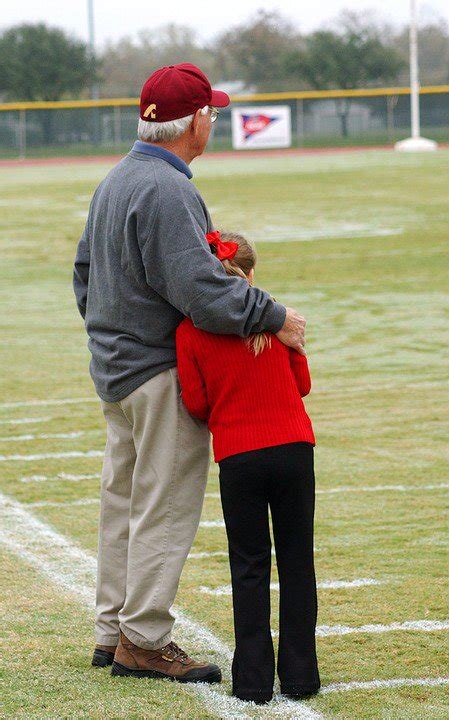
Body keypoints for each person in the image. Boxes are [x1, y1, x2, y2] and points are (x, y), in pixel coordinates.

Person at [73, 63, 307, 683]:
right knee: (163, 506)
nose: (215, 122)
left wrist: (110, 338)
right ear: (196, 121)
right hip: (155, 372)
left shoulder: (116, 179)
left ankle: (111, 629)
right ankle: (143, 639)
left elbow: (83, 275)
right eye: (213, 112)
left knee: (122, 501)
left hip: (116, 369)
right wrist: (274, 315)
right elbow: (205, 293)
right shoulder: (168, 188)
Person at [176, 230, 320, 703]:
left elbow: (196, 404)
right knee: (297, 560)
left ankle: (254, 681)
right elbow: (301, 383)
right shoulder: (279, 319)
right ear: (251, 274)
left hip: (238, 455)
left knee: (250, 565)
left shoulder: (190, 330)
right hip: (293, 447)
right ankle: (301, 676)